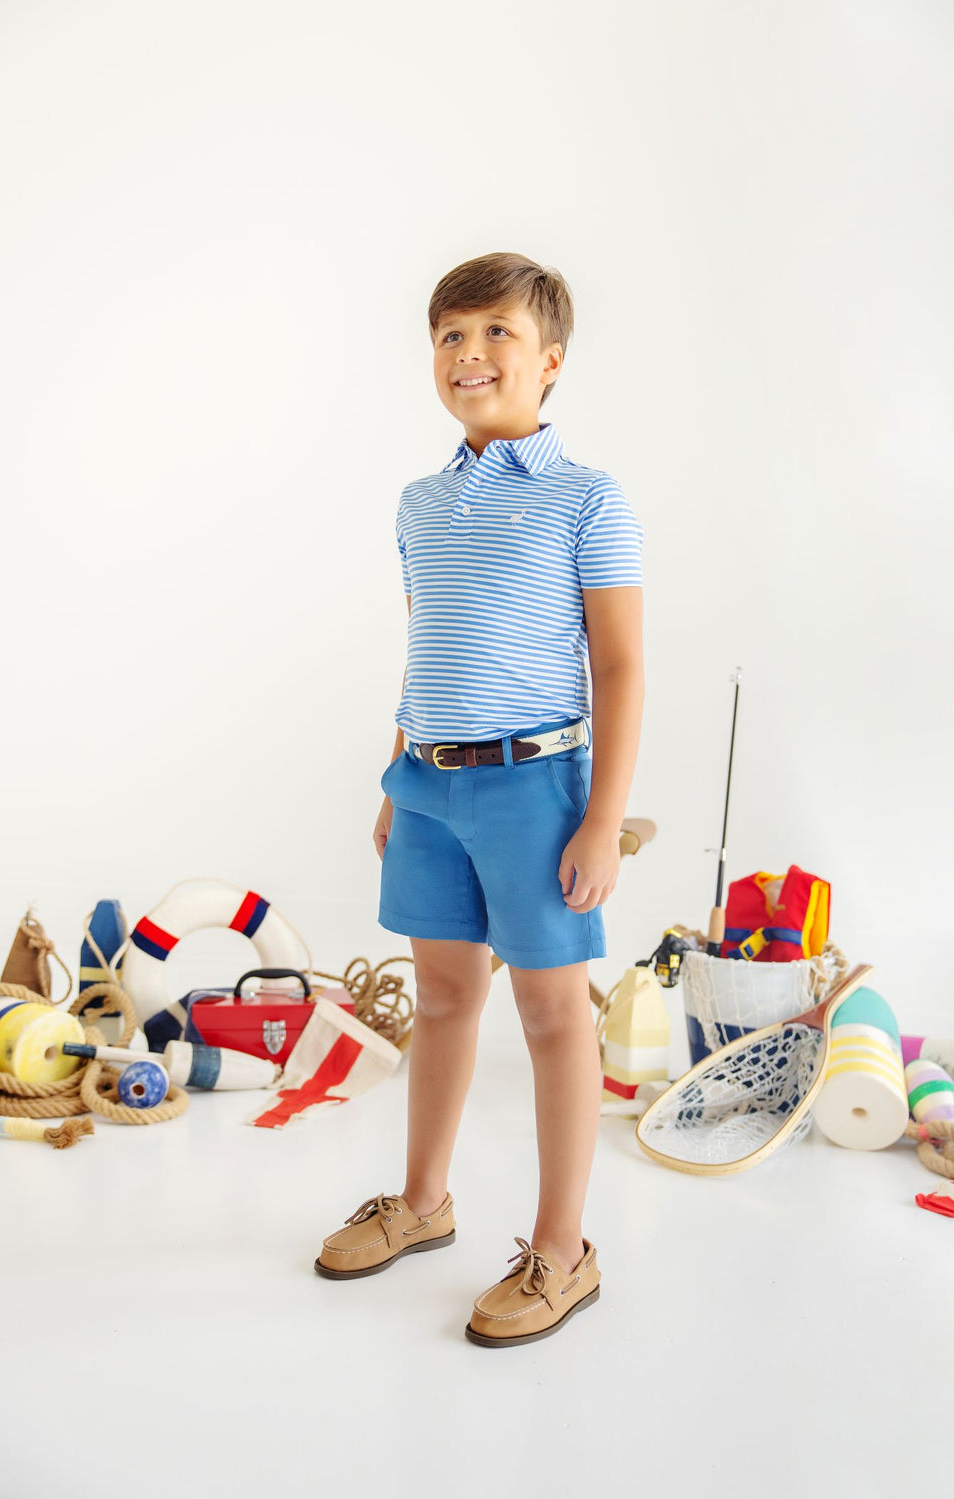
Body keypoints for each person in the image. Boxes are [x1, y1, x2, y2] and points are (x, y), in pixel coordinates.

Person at [314, 251, 645, 1348]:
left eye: (497, 333)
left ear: (549, 360)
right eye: (451, 336)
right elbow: (429, 646)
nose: (470, 354)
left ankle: (562, 1251)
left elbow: (621, 667)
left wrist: (601, 814)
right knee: (446, 998)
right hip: (428, 787)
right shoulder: (420, 502)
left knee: (552, 1015)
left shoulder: (586, 497)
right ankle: (422, 1201)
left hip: (537, 785)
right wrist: (396, 767)